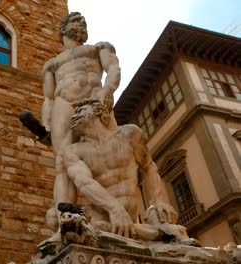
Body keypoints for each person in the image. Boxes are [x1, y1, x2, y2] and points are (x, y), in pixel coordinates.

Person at [42, 100, 190, 245]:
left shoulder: (129, 134)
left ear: (99, 112)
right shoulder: (73, 151)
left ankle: (141, 232)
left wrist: (158, 201)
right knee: (54, 217)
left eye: (81, 110)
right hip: (103, 215)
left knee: (158, 214)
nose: (75, 115)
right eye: (75, 112)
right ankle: (157, 234)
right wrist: (114, 208)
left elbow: (148, 167)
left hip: (128, 214)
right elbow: (84, 182)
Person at [41, 11, 120, 241]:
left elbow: (114, 69)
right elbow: (48, 98)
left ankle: (113, 214)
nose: (81, 24)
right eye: (76, 20)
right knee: (62, 162)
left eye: (83, 21)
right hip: (64, 105)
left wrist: (107, 91)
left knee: (111, 154)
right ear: (63, 29)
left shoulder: (99, 48)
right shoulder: (52, 64)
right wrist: (46, 124)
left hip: (96, 99)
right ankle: (64, 222)